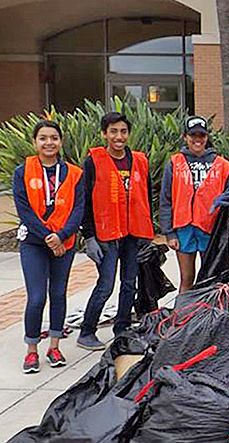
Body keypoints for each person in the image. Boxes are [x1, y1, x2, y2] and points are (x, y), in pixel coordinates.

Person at [77, 112, 154, 350]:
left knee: (129, 283)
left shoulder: (140, 160)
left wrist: (146, 233)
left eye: (123, 131)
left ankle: (122, 327)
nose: (118, 137)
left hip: (132, 234)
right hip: (106, 235)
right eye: (113, 131)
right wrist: (89, 236)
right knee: (106, 284)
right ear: (104, 134)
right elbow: (84, 201)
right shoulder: (94, 161)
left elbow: (146, 197)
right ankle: (87, 331)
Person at [13, 120, 85, 373]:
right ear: (35, 142)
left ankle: (54, 346)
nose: (48, 143)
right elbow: (24, 210)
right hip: (34, 242)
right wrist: (48, 237)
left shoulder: (74, 173)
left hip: (64, 242)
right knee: (36, 297)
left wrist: (62, 236)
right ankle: (32, 350)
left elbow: (78, 209)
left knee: (58, 293)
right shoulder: (23, 171)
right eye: (43, 138)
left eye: (53, 138)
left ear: (60, 142)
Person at [160, 116, 229, 292]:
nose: (197, 139)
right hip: (183, 228)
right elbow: (166, 199)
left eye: (201, 135)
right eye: (193, 135)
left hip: (209, 228)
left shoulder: (222, 164)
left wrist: (228, 198)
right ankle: (183, 316)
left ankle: (207, 317)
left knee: (210, 278)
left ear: (207, 137)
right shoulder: (174, 163)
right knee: (187, 279)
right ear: (185, 137)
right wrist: (169, 233)